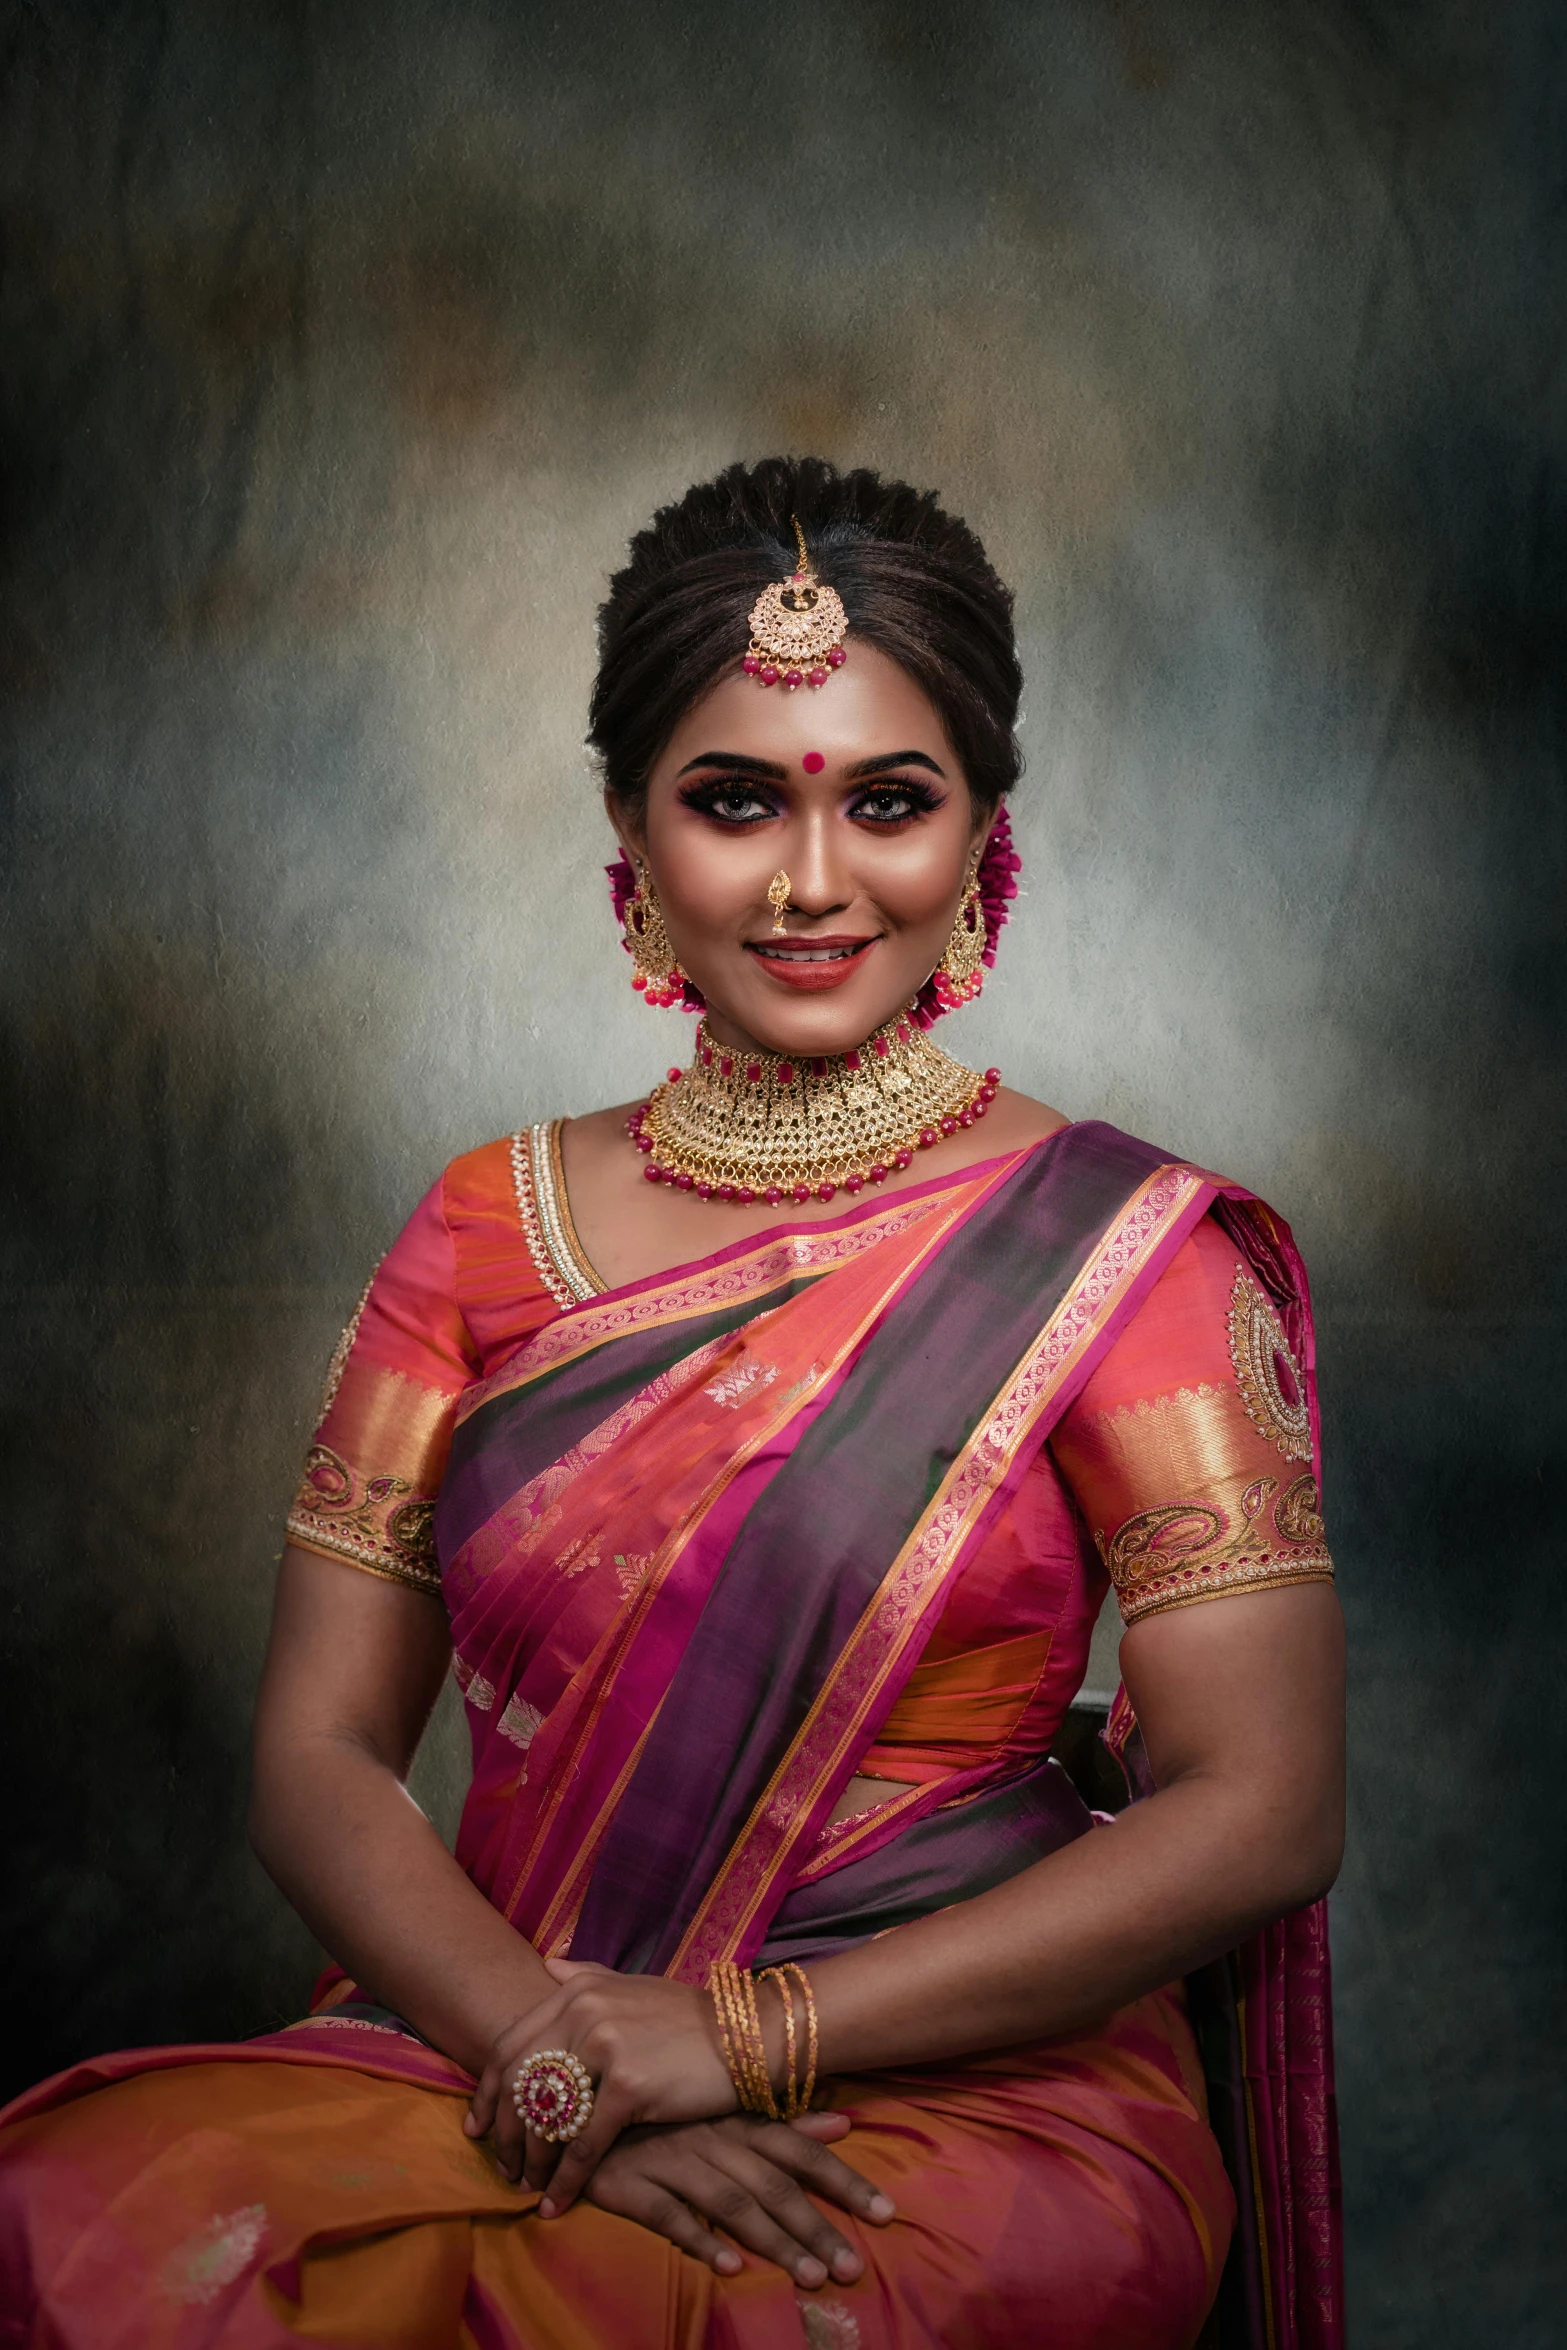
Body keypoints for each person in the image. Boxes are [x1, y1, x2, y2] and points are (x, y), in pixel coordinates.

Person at [0, 459, 1346, 2349]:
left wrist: (735, 2036)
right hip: (508, 2038)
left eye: (889, 800)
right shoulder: (481, 1226)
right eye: (734, 800)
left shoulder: (1126, 1259)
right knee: (68, 2225)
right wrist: (565, 2071)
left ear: (982, 838)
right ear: (630, 833)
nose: (812, 881)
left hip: (965, 2103)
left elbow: (1263, 1807)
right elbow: (317, 1757)